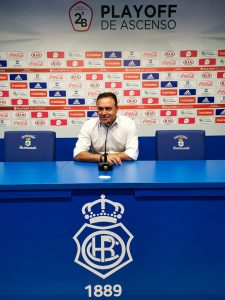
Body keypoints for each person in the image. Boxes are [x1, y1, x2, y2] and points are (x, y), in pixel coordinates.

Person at [73, 92, 139, 165]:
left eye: (108, 109)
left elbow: (132, 153)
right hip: (97, 166)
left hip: (122, 165)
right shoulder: (89, 124)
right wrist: (102, 158)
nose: (104, 113)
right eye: (100, 109)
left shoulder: (128, 123)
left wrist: (109, 157)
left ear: (116, 109)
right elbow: (77, 153)